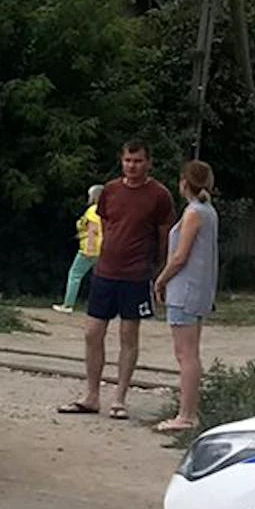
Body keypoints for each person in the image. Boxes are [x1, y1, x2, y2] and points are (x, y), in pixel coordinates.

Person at [57, 142, 176, 421]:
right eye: (127, 160)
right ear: (121, 162)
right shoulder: (110, 190)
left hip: (136, 274)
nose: (132, 166)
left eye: (137, 161)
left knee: (128, 335)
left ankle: (120, 399)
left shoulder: (159, 195)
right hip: (105, 271)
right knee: (92, 332)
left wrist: (160, 270)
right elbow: (104, 224)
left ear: (148, 162)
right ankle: (91, 395)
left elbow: (164, 233)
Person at [153, 160, 219, 433]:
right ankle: (189, 411)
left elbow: (180, 255)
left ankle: (186, 415)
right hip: (200, 289)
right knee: (190, 352)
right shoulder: (208, 211)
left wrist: (161, 279)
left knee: (185, 354)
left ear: (183, 182)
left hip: (185, 290)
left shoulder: (193, 213)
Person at [52, 184, 105, 314]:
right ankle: (100, 306)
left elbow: (92, 230)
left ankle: (68, 304)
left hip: (89, 247)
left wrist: (90, 247)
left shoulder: (93, 210)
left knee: (75, 274)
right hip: (104, 248)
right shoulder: (107, 210)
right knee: (100, 278)